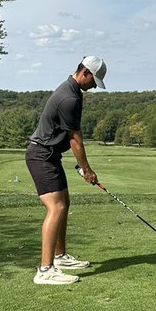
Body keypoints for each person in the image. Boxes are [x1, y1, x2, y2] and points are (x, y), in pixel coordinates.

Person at [25, 56, 107, 286]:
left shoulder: (74, 91)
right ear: (85, 73)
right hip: (41, 156)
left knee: (65, 202)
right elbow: (76, 141)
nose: (94, 86)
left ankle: (59, 257)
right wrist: (87, 170)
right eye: (94, 80)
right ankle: (45, 270)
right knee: (56, 206)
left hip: (50, 156)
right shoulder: (69, 97)